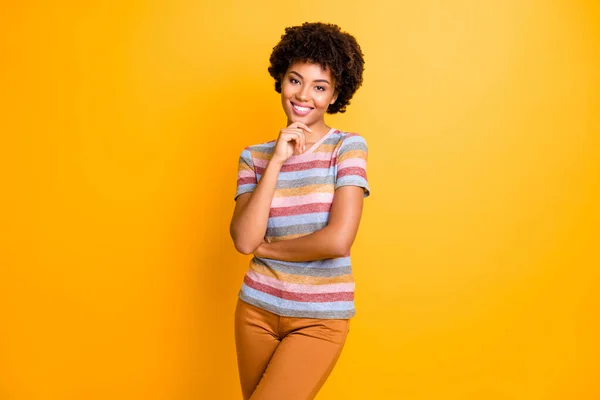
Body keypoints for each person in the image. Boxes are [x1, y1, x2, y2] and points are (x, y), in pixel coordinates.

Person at [229, 22, 370, 400]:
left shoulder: (347, 148)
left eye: (319, 86)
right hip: (255, 311)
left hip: (319, 318)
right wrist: (276, 161)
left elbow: (338, 240)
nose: (303, 95)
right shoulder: (255, 157)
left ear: (335, 93)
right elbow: (245, 240)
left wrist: (270, 249)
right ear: (281, 80)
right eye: (295, 80)